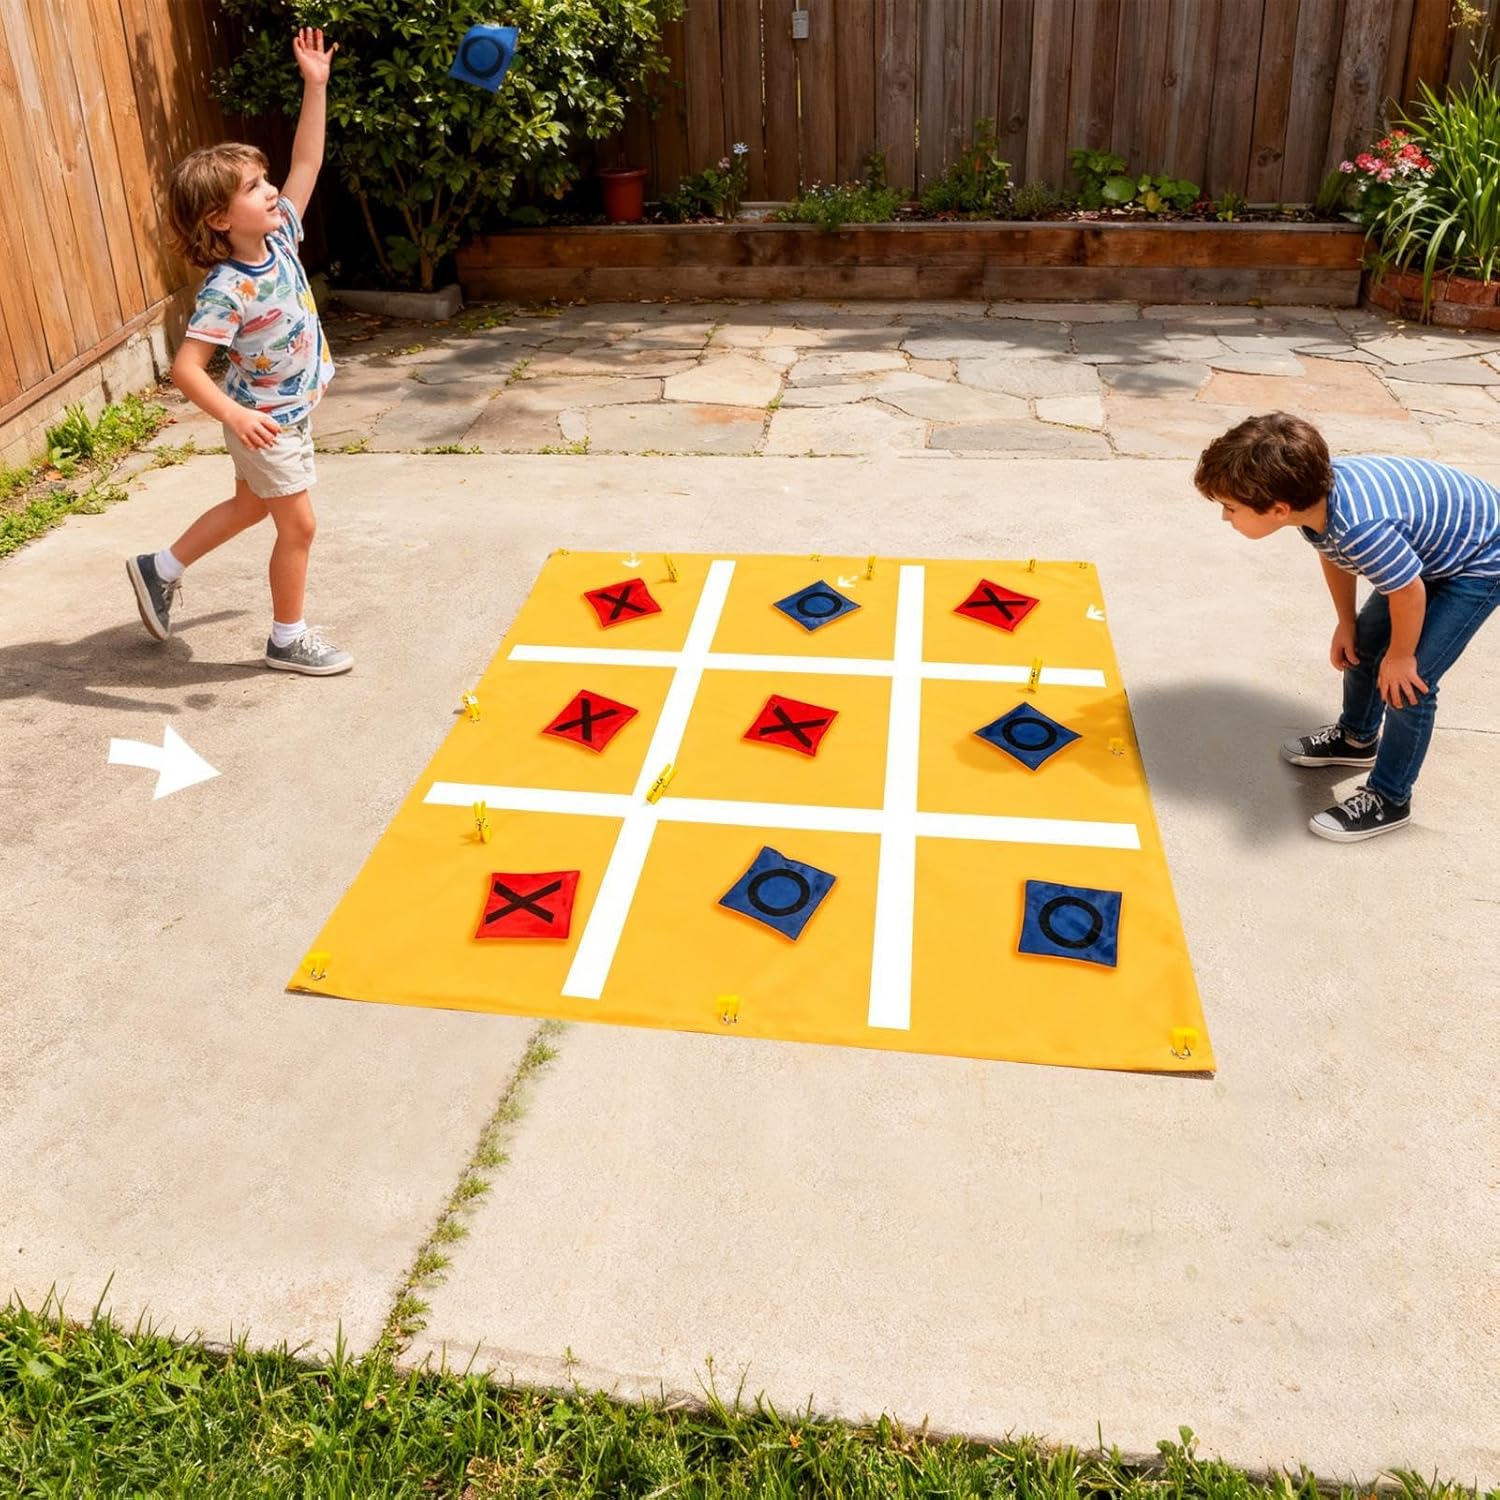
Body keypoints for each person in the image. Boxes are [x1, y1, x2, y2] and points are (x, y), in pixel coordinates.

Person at [127, 28, 352, 676]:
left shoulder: (280, 238)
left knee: (251, 507)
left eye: (263, 180)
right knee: (299, 527)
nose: (271, 190)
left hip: (284, 415)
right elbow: (186, 368)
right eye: (254, 187)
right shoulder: (227, 290)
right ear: (221, 220)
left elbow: (306, 163)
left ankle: (158, 568)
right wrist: (236, 416)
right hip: (265, 423)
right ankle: (287, 639)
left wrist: (315, 86)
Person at [1195, 411, 1500, 842]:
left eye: (1230, 508)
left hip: (1479, 560)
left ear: (1278, 510)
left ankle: (1390, 797)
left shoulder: (1361, 527)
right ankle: (1356, 739)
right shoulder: (1313, 503)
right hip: (1428, 552)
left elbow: (1408, 592)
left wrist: (1401, 656)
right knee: (1363, 643)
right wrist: (1346, 621)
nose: (1226, 518)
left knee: (1409, 685)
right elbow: (1334, 552)